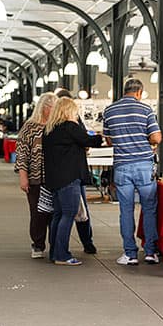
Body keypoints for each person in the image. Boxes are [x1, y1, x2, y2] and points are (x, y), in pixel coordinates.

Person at [103, 78, 162, 265]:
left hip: (122, 167)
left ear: (124, 91)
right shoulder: (145, 110)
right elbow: (157, 138)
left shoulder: (109, 111)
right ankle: (151, 252)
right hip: (144, 165)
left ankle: (130, 254)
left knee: (125, 210)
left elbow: (109, 141)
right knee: (149, 209)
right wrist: (146, 141)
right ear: (139, 92)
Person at [43, 97, 103, 266]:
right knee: (68, 214)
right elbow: (89, 140)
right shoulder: (70, 127)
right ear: (68, 111)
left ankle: (55, 251)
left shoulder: (49, 129)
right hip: (69, 178)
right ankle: (62, 255)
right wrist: (100, 136)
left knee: (58, 214)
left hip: (54, 179)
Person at [14, 92, 57, 258]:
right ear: (44, 108)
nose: (54, 111)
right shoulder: (30, 127)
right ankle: (38, 245)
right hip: (35, 177)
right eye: (52, 108)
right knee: (38, 213)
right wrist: (23, 176)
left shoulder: (58, 125)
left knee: (56, 213)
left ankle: (56, 245)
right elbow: (22, 153)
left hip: (55, 177)